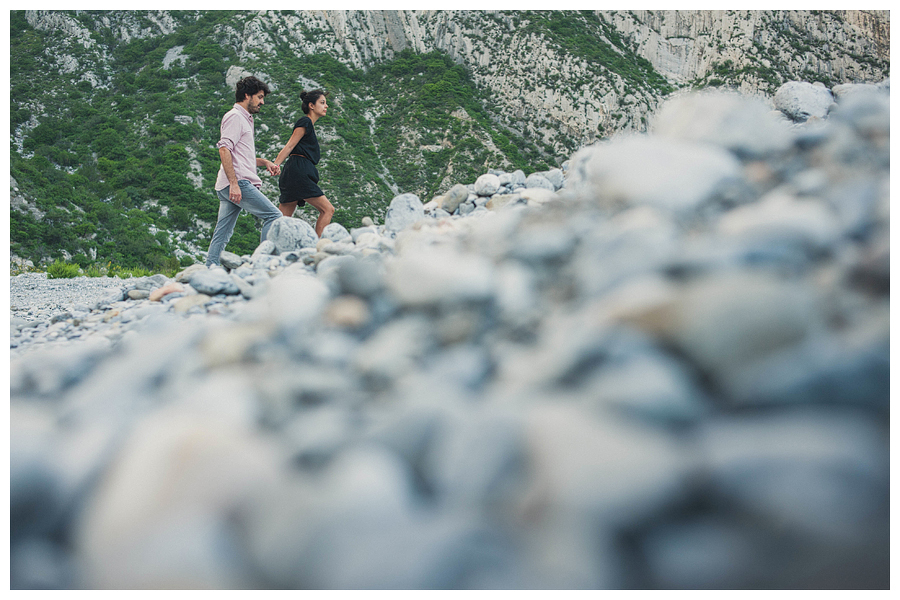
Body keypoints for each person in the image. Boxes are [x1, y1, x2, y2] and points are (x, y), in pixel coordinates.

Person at [206, 76, 283, 267]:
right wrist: (234, 183)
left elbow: (241, 157)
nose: (262, 102)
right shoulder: (235, 117)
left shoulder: (245, 119)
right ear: (247, 95)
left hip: (230, 182)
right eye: (259, 97)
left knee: (222, 232)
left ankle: (210, 268)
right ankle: (263, 265)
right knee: (274, 216)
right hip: (238, 182)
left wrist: (265, 162)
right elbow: (224, 150)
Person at [272, 89, 335, 237]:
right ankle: (317, 248)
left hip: (294, 171)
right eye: (322, 103)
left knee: (282, 220)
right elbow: (290, 145)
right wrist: (276, 164)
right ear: (311, 105)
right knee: (328, 209)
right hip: (298, 171)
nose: (326, 106)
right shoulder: (305, 121)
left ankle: (270, 249)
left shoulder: (309, 125)